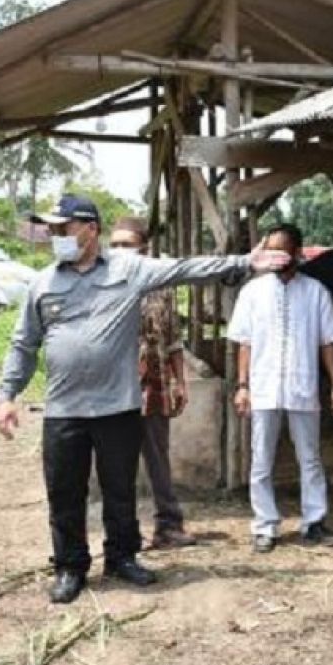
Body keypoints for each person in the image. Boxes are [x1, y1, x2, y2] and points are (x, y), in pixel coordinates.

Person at [0, 195, 291, 604]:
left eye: (63, 228)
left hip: (117, 406)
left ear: (90, 229)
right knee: (64, 492)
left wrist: (243, 262)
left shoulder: (128, 269)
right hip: (64, 409)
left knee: (120, 489)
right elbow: (23, 343)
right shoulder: (43, 282)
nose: (55, 235)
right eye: (52, 229)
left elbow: (185, 269)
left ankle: (121, 557)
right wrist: (7, 394)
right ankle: (70, 567)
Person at [227, 223, 333, 554]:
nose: (277, 257)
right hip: (263, 387)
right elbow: (245, 344)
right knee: (261, 459)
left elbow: (328, 342)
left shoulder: (316, 292)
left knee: (309, 458)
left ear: (297, 252)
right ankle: (265, 525)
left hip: (303, 386)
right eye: (271, 251)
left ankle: (314, 522)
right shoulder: (252, 292)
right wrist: (242, 385)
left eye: (283, 251)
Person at [109, 218, 196, 549]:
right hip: (114, 387)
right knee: (120, 462)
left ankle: (168, 525)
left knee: (158, 457)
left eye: (127, 245)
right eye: (114, 245)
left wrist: (180, 382)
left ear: (144, 249)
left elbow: (173, 339)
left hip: (154, 384)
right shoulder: (102, 284)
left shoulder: (160, 286)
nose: (119, 251)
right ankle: (127, 532)